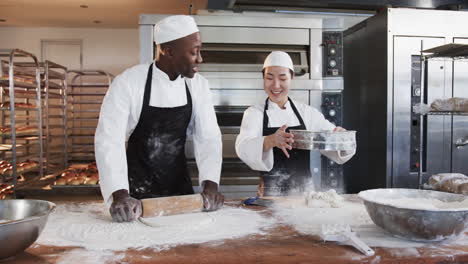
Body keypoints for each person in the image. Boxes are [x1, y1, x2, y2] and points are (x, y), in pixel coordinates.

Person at [95, 15, 224, 222]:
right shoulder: (128, 83)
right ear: (169, 51)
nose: (200, 59)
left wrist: (210, 186)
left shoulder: (198, 86)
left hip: (181, 195)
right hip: (134, 200)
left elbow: (208, 138)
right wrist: (119, 195)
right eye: (194, 51)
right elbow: (109, 140)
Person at [235, 51, 355, 196]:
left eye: (282, 78)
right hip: (271, 195)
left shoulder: (307, 113)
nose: (276, 85)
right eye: (269, 78)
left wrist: (341, 138)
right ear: (263, 79)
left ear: (291, 77)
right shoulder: (254, 113)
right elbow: (243, 148)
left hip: (304, 195)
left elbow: (333, 144)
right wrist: (270, 140)